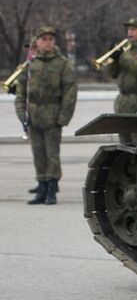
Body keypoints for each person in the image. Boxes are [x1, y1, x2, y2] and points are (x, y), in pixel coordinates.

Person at [14, 27, 77, 205]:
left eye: (50, 39)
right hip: (34, 116)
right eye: (44, 39)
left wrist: (63, 118)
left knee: (52, 155)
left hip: (53, 116)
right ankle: (41, 187)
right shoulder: (30, 64)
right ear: (38, 42)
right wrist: (22, 115)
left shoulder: (62, 64)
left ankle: (51, 190)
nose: (48, 42)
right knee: (38, 154)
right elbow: (21, 92)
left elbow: (70, 93)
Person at [107, 18, 137, 131]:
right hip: (123, 99)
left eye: (133, 29)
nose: (130, 32)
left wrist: (123, 57)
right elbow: (113, 74)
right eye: (128, 29)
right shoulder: (127, 49)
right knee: (124, 137)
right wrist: (113, 59)